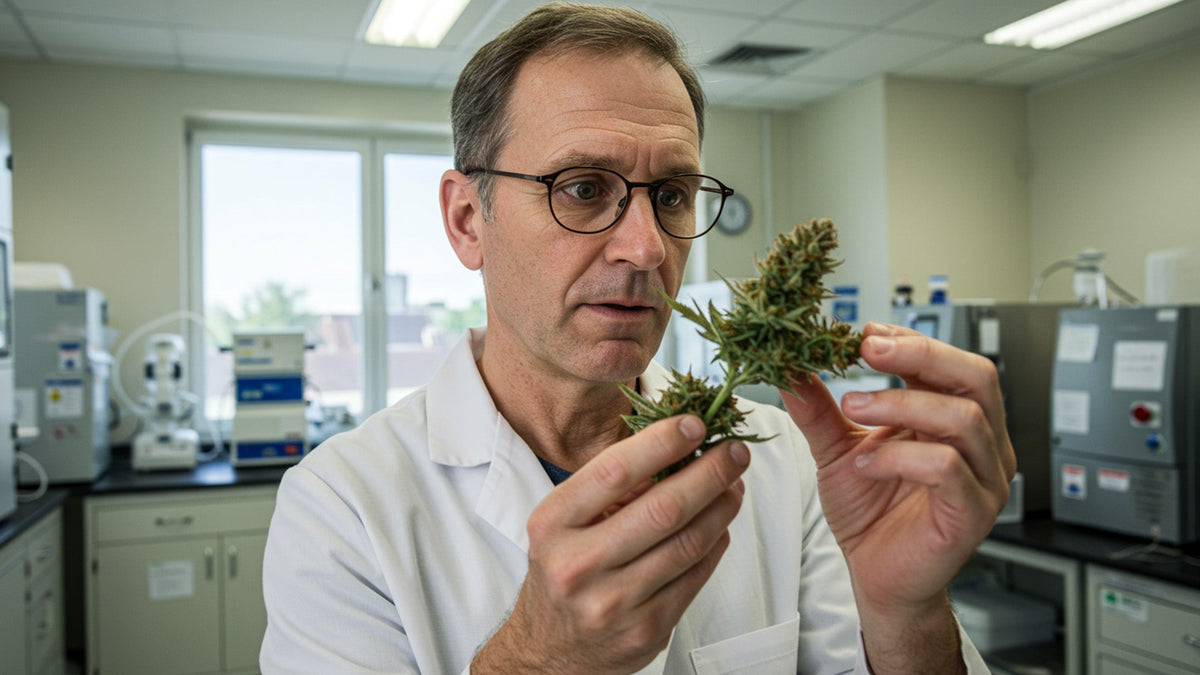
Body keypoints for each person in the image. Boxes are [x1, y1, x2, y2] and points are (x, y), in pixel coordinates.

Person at [259, 3, 1015, 673]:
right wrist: (539, 659)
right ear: (466, 219)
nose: (647, 247)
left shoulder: (786, 463)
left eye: (675, 195)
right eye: (583, 188)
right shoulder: (343, 507)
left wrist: (904, 615)